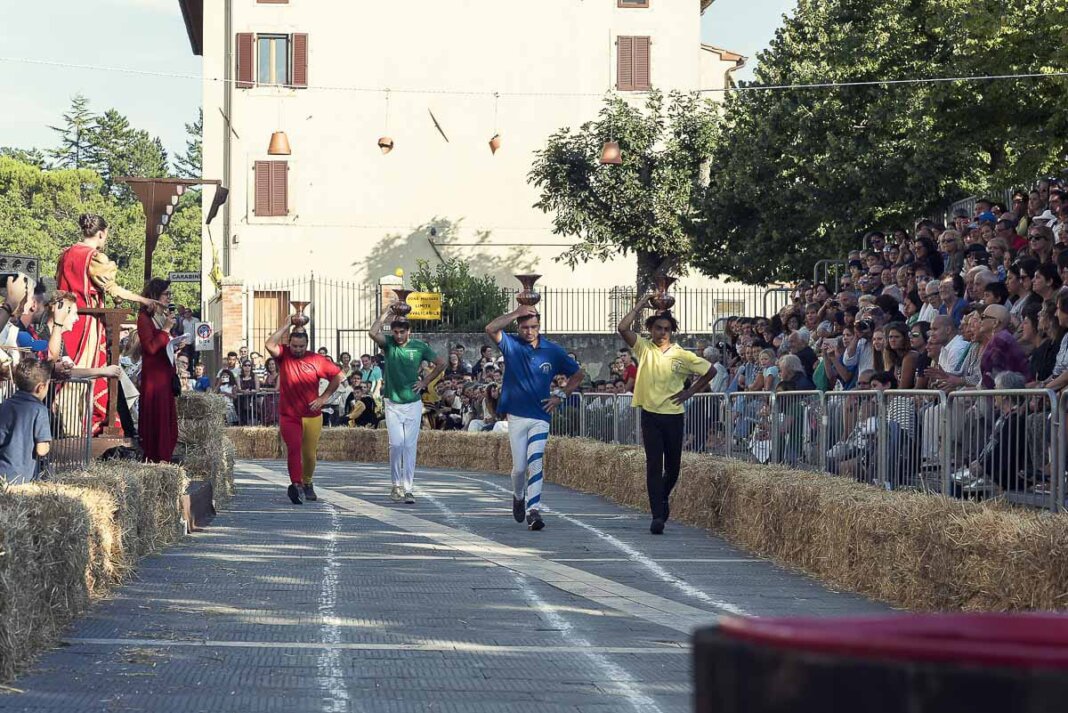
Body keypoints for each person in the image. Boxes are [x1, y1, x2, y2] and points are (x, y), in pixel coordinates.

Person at [617, 296, 716, 535]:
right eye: (658, 328)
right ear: (650, 329)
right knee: (653, 463)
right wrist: (641, 305)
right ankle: (657, 515)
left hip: (673, 414)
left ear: (672, 332)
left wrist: (690, 392)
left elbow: (710, 370)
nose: (662, 332)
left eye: (667, 329)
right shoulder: (644, 347)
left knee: (673, 466)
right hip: (650, 414)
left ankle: (663, 498)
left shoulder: (682, 355)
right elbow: (622, 328)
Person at [56, 214, 161, 433]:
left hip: (65, 320)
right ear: (101, 233)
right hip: (87, 322)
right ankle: (86, 426)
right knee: (91, 370)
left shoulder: (65, 254)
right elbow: (112, 288)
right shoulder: (94, 257)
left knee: (66, 368)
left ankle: (65, 422)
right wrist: (143, 299)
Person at [485, 304, 584, 531]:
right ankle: (518, 495)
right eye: (525, 327)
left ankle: (534, 509)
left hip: (541, 414)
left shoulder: (553, 350)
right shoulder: (511, 344)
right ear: (519, 327)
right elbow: (490, 328)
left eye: (534, 327)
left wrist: (560, 395)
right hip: (517, 415)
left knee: (536, 460)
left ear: (539, 327)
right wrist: (515, 313)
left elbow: (578, 374)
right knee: (519, 468)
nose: (530, 331)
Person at [369, 306, 446, 504]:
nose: (399, 335)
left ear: (408, 331)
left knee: (410, 446)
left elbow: (441, 363)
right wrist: (386, 312)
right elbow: (372, 332)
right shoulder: (389, 345)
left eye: (402, 332)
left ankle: (409, 488)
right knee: (396, 444)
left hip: (413, 403)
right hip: (392, 402)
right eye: (395, 332)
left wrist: (425, 382)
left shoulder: (419, 346)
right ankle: (396, 484)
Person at [265, 323, 344, 505]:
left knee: (309, 454)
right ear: (289, 343)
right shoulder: (283, 355)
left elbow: (338, 376)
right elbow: (269, 344)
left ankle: (307, 482)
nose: (298, 350)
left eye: (301, 346)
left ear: (307, 345)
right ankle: (296, 484)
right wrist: (287, 324)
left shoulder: (317, 359)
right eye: (294, 346)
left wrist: (323, 398)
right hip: (289, 414)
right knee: (293, 448)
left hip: (312, 414)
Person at [137, 279, 181, 463]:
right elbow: (151, 348)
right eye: (166, 294)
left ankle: (166, 458)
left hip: (164, 377)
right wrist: (165, 331)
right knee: (158, 422)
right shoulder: (144, 319)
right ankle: (157, 458)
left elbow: (163, 345)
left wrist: (175, 342)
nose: (169, 298)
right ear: (155, 297)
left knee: (168, 422)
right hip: (155, 380)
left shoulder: (162, 318)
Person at [0, 359, 53, 483]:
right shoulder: (40, 410)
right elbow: (41, 449)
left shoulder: (4, 405)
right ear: (41, 387)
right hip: (21, 479)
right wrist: (47, 445)